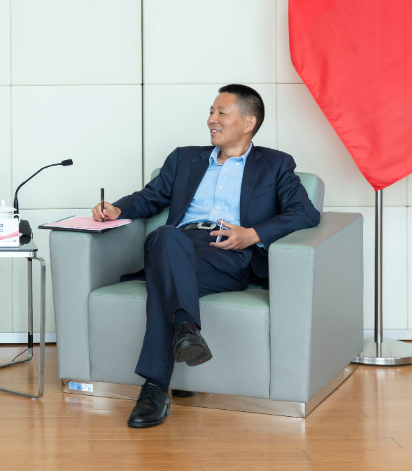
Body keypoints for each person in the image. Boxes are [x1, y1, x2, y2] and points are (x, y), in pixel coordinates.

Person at [92, 84, 320, 429]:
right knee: (164, 236)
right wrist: (117, 209)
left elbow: (305, 213)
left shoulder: (275, 164)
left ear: (248, 122)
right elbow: (150, 197)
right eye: (211, 112)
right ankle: (184, 331)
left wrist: (252, 234)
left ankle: (155, 390)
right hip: (176, 245)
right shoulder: (184, 158)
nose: (212, 119)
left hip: (228, 252)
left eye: (221, 113)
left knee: (164, 284)